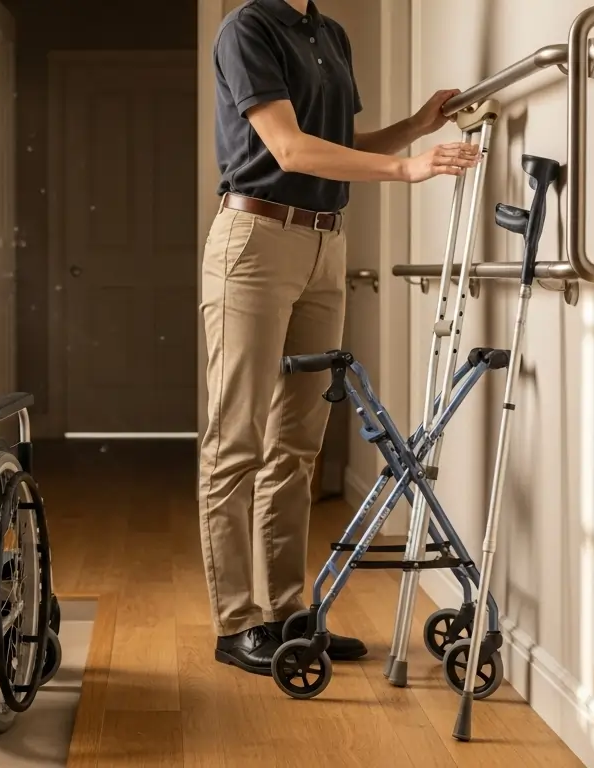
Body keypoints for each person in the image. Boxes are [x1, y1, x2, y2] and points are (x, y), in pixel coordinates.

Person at [200, 0, 480, 676]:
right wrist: (412, 170)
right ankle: (237, 623)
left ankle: (287, 613)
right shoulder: (247, 28)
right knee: (236, 438)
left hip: (324, 244)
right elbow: (290, 148)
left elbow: (342, 150)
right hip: (255, 240)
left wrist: (416, 127)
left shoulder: (331, 34)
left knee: (297, 444)